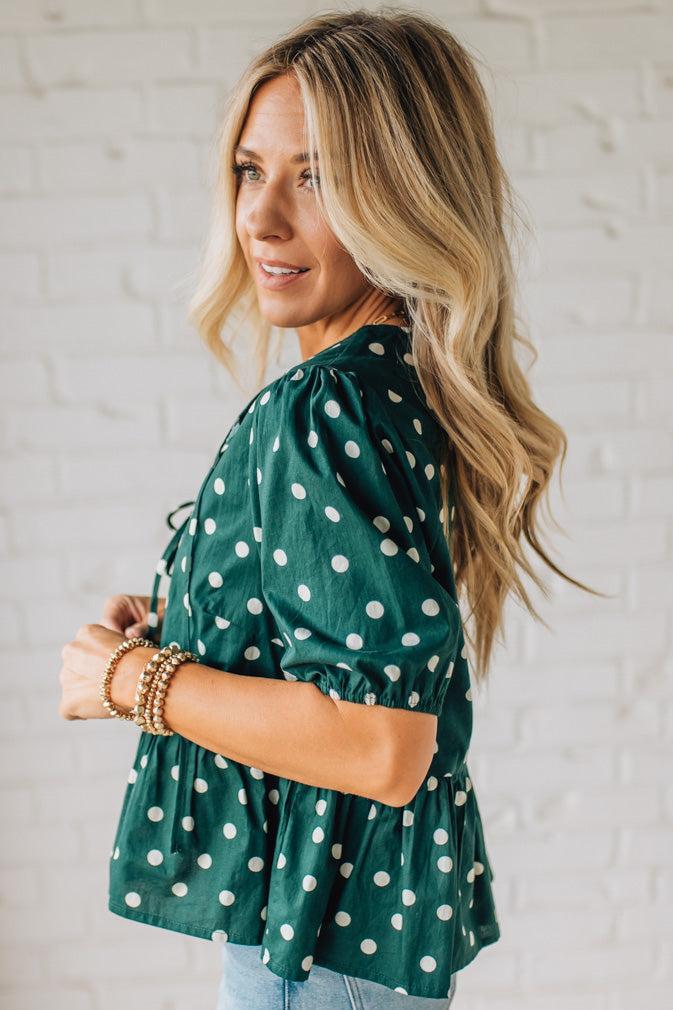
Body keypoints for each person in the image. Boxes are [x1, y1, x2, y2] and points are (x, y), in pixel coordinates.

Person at [59, 8, 603, 1008]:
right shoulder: (393, 383)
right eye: (249, 170)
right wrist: (204, 616)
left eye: (314, 177)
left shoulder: (329, 404)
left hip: (318, 946)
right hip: (337, 928)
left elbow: (380, 742)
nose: (262, 219)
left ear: (403, 194)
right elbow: (356, 637)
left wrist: (135, 677)